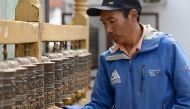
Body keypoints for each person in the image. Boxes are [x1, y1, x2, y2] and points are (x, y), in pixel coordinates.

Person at [51, 0, 190, 109]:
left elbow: (187, 99)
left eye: (112, 21)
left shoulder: (167, 48)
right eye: (104, 23)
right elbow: (99, 105)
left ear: (133, 16)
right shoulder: (108, 59)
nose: (108, 29)